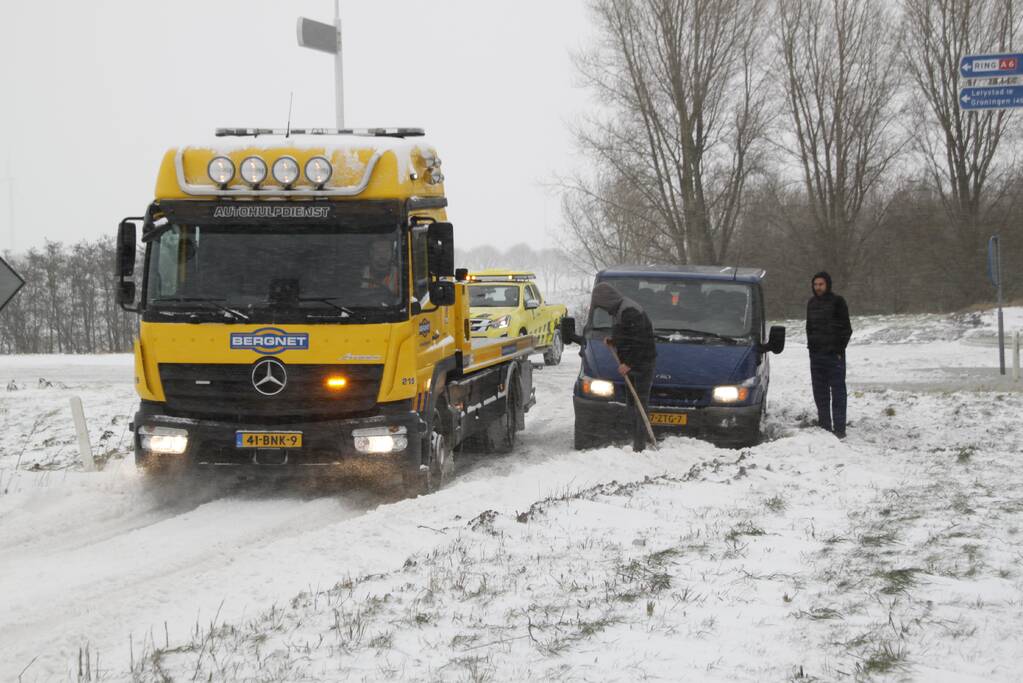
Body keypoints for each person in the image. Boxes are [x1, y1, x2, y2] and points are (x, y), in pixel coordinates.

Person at [590, 282, 657, 452]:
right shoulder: (621, 309)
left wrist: (629, 364)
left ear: (607, 300)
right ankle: (636, 439)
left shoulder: (629, 311)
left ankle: (640, 444)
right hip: (635, 364)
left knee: (639, 404)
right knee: (632, 404)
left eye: (602, 305)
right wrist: (614, 341)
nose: (604, 310)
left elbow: (640, 341)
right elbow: (627, 336)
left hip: (642, 365)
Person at [806, 271, 853, 438]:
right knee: (820, 393)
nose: (818, 287)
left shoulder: (838, 302)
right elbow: (809, 328)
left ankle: (839, 429)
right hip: (816, 356)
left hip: (834, 356)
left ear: (827, 285)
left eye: (821, 284)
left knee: (838, 392)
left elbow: (847, 329)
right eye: (815, 284)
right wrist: (811, 349)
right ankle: (825, 426)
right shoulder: (811, 303)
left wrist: (839, 350)